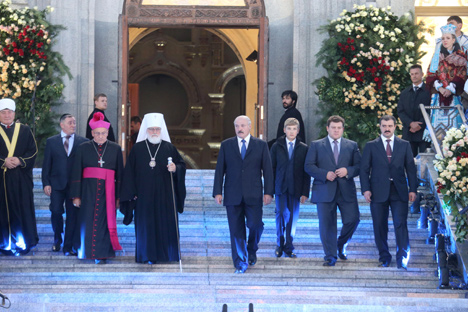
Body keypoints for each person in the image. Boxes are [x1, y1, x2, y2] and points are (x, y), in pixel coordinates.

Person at [120, 113, 186, 264]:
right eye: (151, 129)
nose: (155, 132)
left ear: (161, 130)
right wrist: (132, 194)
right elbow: (129, 173)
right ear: (146, 130)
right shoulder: (137, 149)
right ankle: (147, 255)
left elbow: (182, 165)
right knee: (146, 226)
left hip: (165, 196)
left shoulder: (169, 148)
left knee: (165, 225)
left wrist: (175, 168)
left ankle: (167, 255)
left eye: (157, 129)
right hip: (144, 197)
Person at [213, 115, 274, 274]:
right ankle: (240, 262)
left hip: (253, 194)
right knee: (236, 230)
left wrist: (268, 192)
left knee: (255, 225)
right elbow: (220, 169)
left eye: (242, 125)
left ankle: (252, 249)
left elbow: (267, 170)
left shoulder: (260, 145)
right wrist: (217, 191)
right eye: (236, 126)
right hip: (232, 194)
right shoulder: (226, 145)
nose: (239, 129)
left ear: (249, 127)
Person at [360, 115, 417, 270]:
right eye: (384, 125)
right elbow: (364, 170)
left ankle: (402, 258)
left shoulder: (404, 145)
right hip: (377, 192)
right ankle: (384, 257)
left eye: (390, 126)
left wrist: (413, 189)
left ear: (394, 127)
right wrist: (365, 189)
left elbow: (411, 169)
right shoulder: (371, 146)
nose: (387, 128)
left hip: (399, 191)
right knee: (379, 225)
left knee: (401, 224)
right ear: (380, 127)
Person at [305, 115, 361, 266]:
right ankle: (330, 256)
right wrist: (324, 174)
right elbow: (308, 166)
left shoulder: (352, 145)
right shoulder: (316, 145)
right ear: (327, 128)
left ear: (343, 129)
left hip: (346, 190)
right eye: (333, 128)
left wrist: (347, 171)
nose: (336, 130)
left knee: (353, 219)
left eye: (339, 128)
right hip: (324, 190)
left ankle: (340, 244)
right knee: (327, 225)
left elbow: (359, 166)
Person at [70, 112, 123, 264]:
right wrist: (76, 195)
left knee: (105, 222)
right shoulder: (83, 148)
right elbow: (76, 172)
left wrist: (118, 197)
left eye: (103, 133)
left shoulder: (115, 148)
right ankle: (85, 251)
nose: (100, 136)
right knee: (86, 222)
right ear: (92, 133)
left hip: (108, 193)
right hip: (88, 191)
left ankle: (103, 253)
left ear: (107, 133)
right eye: (97, 133)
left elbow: (120, 174)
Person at [42, 114, 87, 255]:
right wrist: (46, 183)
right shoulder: (52, 141)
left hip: (74, 185)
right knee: (56, 211)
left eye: (74, 122)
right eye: (70, 123)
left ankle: (69, 246)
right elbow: (46, 164)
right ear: (62, 125)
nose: (73, 125)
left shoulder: (83, 142)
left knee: (72, 215)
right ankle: (57, 238)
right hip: (56, 184)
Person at [0, 98, 38, 256]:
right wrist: (3, 161)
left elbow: (33, 151)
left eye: (10, 112)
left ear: (14, 114)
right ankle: (4, 244)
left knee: (22, 209)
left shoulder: (24, 130)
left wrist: (20, 160)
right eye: (3, 112)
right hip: (1, 180)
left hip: (21, 179)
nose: (7, 115)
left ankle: (22, 243)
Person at [270, 118, 310, 258]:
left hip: (296, 188)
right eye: (289, 128)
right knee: (280, 213)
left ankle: (289, 246)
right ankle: (279, 243)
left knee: (292, 217)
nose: (291, 131)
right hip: (280, 187)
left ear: (298, 131)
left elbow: (306, 172)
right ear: (284, 130)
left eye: (294, 129)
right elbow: (271, 169)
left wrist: (305, 192)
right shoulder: (276, 146)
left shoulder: (304, 148)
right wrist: (270, 189)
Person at [425, 23, 467, 142]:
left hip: (454, 98)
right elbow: (430, 74)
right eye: (443, 38)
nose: (445, 40)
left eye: (448, 38)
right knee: (437, 130)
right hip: (438, 98)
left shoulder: (461, 56)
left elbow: (462, 74)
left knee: (455, 131)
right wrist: (439, 87)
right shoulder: (436, 56)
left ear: (454, 39)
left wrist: (451, 88)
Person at [397, 65, 431, 157]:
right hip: (409, 133)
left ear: (422, 74)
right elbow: (400, 111)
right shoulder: (405, 93)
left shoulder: (429, 92)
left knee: (425, 162)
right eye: (412, 74)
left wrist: (420, 124)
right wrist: (411, 123)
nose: (414, 76)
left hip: (424, 133)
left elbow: (431, 111)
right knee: (409, 162)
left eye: (416, 73)